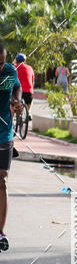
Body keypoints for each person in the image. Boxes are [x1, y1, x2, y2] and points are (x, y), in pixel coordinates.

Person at [0, 42, 24, 253]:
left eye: (3, 61)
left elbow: (17, 86)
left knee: (2, 179)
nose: (1, 66)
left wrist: (17, 100)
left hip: (4, 133)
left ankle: (0, 232)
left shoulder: (8, 70)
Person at [14, 53, 34, 121]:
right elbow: (32, 80)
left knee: (11, 105)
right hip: (29, 92)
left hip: (18, 92)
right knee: (29, 101)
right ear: (24, 60)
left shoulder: (14, 67)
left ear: (16, 60)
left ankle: (11, 121)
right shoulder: (30, 68)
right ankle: (28, 113)